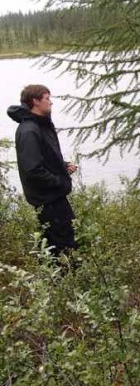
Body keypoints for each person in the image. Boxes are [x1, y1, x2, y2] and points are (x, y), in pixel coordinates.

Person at [7, 84, 79, 261]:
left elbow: (44, 157)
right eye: (47, 98)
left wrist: (63, 166)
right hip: (49, 201)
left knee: (62, 244)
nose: (51, 102)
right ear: (35, 101)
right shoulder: (29, 130)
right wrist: (59, 181)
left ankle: (60, 284)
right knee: (64, 247)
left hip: (54, 198)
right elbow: (33, 169)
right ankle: (63, 285)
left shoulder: (39, 125)